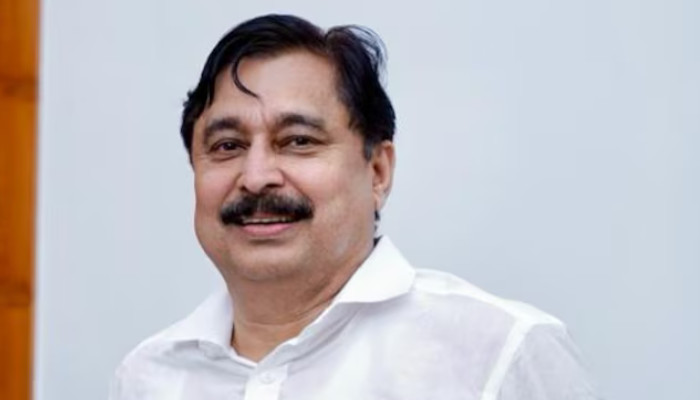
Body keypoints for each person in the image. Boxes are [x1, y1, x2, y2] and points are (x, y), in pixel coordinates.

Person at [109, 14, 601, 400]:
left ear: (378, 171)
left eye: (298, 141)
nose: (256, 177)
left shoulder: (499, 353)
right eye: (227, 147)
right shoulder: (148, 378)